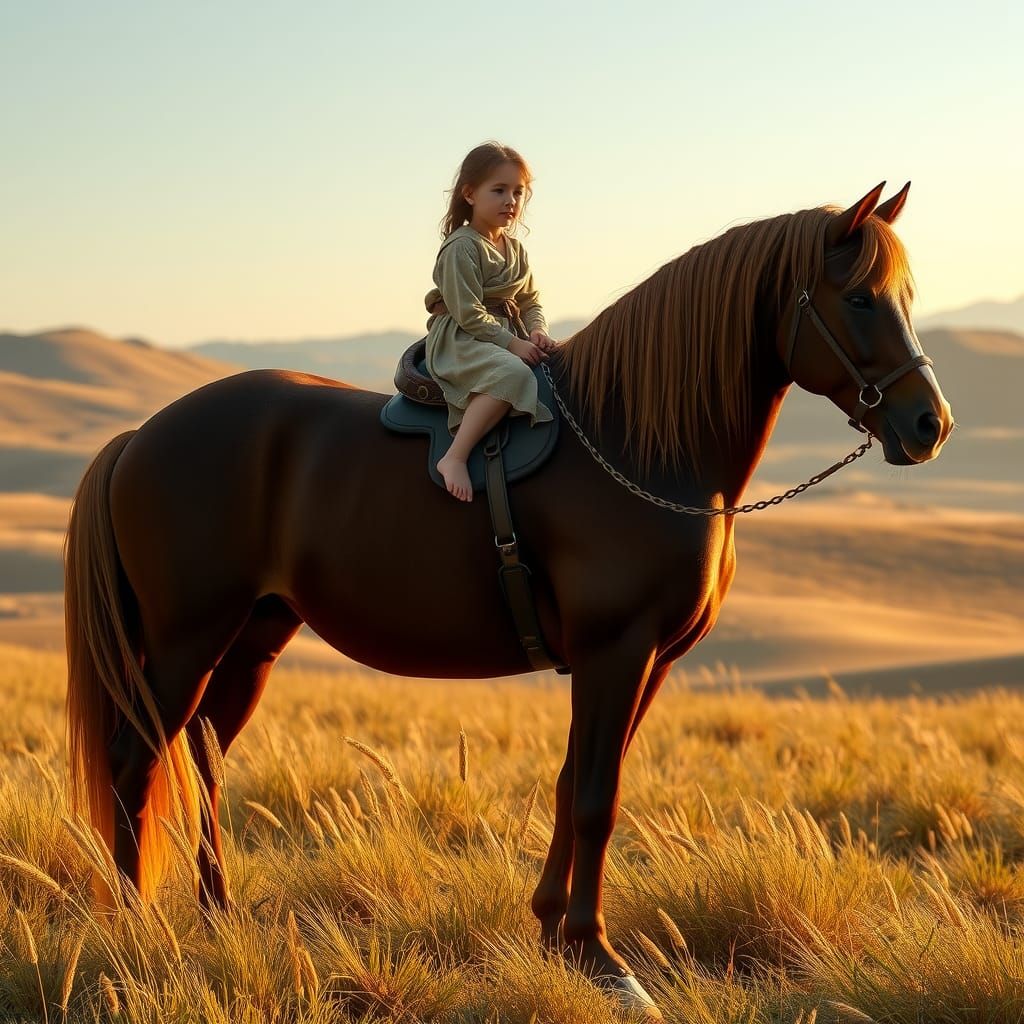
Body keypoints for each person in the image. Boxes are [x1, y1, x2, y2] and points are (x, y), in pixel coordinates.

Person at [424, 141, 558, 502]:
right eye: (498, 190)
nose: (510, 201)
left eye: (517, 192)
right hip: (464, 338)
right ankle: (454, 456)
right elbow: (468, 313)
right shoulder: (461, 247)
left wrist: (537, 330)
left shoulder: (515, 249)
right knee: (513, 373)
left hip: (505, 334)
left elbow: (530, 300)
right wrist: (514, 344)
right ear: (470, 193)